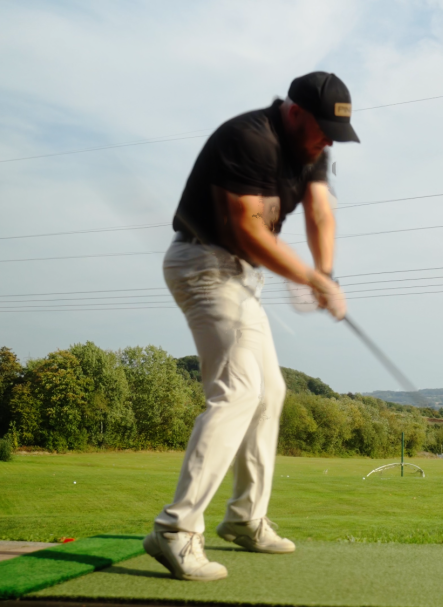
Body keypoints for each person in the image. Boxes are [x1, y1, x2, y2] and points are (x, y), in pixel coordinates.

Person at [143, 72, 359, 581]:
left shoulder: (311, 150)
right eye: (323, 128)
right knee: (238, 391)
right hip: (202, 265)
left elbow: (320, 214)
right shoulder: (249, 138)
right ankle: (175, 530)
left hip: (238, 275)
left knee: (269, 394)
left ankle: (244, 519)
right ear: (295, 111)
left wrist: (324, 275)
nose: (328, 140)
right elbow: (247, 227)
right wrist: (306, 276)